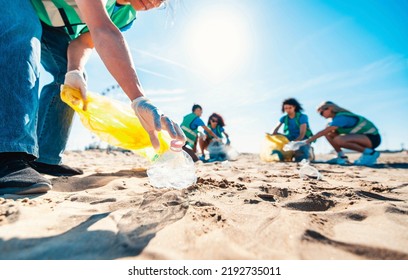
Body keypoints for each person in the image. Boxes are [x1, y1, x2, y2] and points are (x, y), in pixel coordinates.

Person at [0, 0, 184, 195]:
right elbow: (103, 30)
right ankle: (8, 154)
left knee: (69, 77)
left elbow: (83, 43)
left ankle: (45, 157)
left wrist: (74, 70)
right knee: (21, 26)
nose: (155, 2)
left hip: (48, 23)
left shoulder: (125, 16)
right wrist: (139, 100)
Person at [305, 101, 381, 166]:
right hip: (363, 138)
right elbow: (327, 132)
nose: (321, 115)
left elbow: (323, 131)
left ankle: (370, 153)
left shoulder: (341, 117)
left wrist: (307, 141)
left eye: (321, 112)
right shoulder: (334, 120)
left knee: (338, 139)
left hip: (373, 138)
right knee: (329, 134)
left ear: (329, 108)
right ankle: (341, 156)